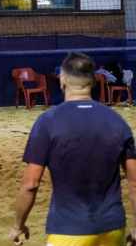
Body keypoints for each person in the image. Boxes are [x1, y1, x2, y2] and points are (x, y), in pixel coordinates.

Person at [9, 52, 136, 246]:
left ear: (62, 80)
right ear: (93, 82)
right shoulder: (118, 122)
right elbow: (134, 183)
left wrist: (19, 225)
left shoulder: (47, 122)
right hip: (112, 228)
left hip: (68, 230)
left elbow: (31, 184)